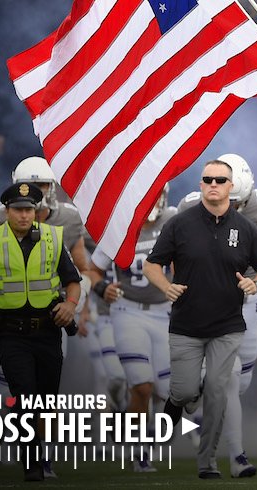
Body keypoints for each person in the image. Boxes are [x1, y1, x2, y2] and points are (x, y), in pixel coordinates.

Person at [144, 160, 257, 479]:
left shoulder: (246, 227)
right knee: (186, 392)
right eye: (208, 179)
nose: (214, 184)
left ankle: (208, 462)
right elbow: (152, 264)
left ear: (232, 186)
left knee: (220, 390)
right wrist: (165, 286)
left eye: (221, 179)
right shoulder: (180, 222)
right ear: (201, 185)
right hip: (187, 325)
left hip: (228, 326)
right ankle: (180, 405)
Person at [0, 182, 81, 482]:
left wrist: (70, 306)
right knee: (25, 396)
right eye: (18, 209)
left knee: (46, 401)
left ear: (37, 211)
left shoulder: (54, 238)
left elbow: (73, 280)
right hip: (12, 333)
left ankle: (44, 456)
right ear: (7, 211)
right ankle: (31, 462)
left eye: (29, 209)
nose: (24, 215)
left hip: (48, 330)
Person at [88, 186, 175, 474]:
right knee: (142, 385)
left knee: (166, 391)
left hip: (165, 314)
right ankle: (140, 451)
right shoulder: (119, 227)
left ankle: (130, 425)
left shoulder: (173, 222)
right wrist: (102, 288)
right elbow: (92, 270)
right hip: (127, 312)